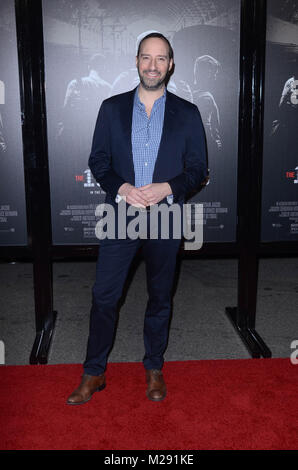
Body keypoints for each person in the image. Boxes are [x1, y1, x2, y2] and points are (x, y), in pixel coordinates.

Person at [67, 32, 207, 405]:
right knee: (104, 296)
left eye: (161, 59)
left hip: (166, 216)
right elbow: (98, 161)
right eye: (147, 57)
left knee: (160, 296)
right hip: (121, 215)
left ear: (171, 65)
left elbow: (197, 169)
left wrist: (167, 187)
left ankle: (154, 367)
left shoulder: (188, 113)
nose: (153, 65)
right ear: (136, 61)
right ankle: (94, 372)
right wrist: (123, 189)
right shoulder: (111, 108)